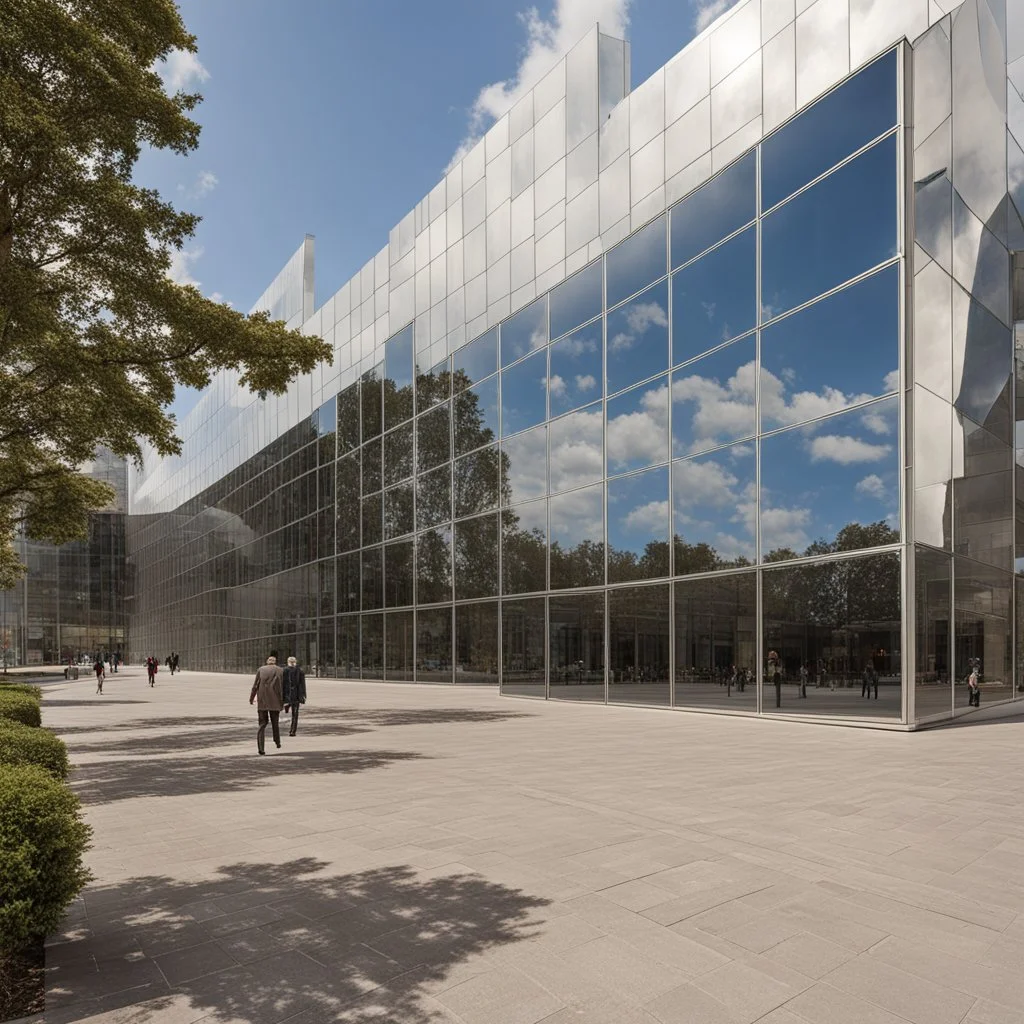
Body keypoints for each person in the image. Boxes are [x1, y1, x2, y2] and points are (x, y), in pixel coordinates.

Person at [250, 654, 285, 755]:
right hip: (275, 701)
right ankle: (277, 741)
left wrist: (252, 698)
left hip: (262, 701)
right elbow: (283, 686)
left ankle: (261, 748)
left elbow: (255, 685)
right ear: (275, 662)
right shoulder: (280, 670)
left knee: (262, 724)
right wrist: (284, 701)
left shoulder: (261, 669)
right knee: (275, 722)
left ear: (267, 661)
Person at [282, 656, 307, 736]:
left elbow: (282, 684)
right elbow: (302, 684)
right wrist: (303, 694)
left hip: (287, 694)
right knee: (295, 714)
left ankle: (287, 706)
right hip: (296, 694)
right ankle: (293, 731)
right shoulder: (299, 671)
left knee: (291, 709)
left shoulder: (284, 670)